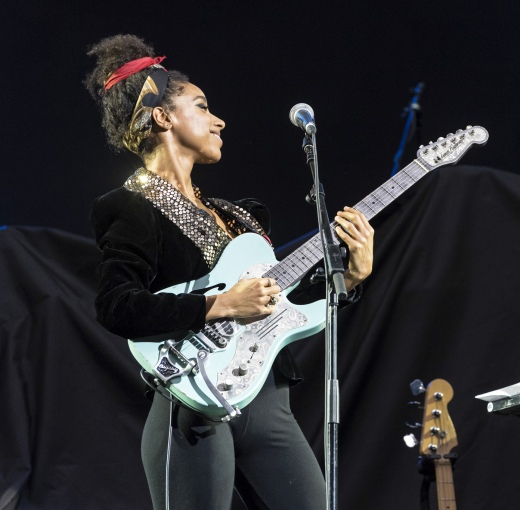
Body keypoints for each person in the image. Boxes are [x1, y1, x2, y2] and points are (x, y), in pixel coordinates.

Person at [84, 34, 374, 510]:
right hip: (192, 404)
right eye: (202, 106)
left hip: (268, 403)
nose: (219, 120)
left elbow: (282, 303)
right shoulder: (128, 207)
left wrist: (353, 277)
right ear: (164, 117)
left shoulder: (241, 217)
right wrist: (221, 304)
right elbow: (116, 306)